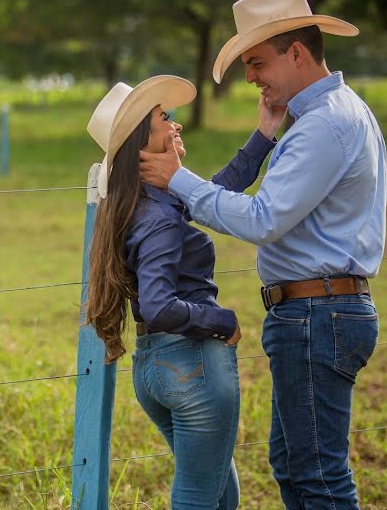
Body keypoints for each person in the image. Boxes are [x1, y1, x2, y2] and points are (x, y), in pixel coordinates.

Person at [139, 0, 387, 509]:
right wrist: (262, 138)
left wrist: (178, 180)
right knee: (297, 468)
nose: (250, 77)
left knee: (317, 475)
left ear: (296, 52)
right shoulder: (337, 114)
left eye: (256, 63)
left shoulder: (324, 125)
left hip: (318, 313)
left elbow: (262, 217)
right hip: (317, 311)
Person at [85, 75, 279, 509]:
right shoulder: (161, 219)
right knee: (198, 496)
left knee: (221, 493)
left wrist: (264, 134)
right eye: (164, 119)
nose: (177, 126)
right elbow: (158, 305)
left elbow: (216, 190)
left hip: (154, 368)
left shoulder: (149, 204)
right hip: (191, 366)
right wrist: (222, 320)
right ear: (142, 145)